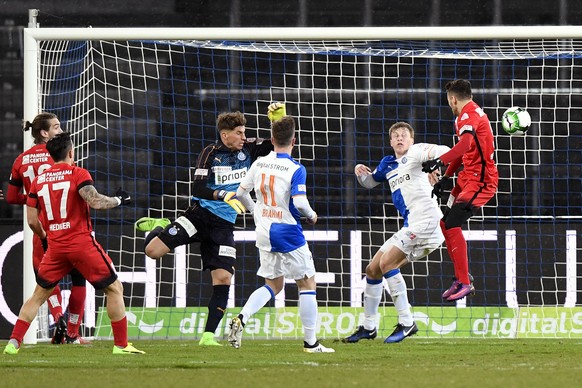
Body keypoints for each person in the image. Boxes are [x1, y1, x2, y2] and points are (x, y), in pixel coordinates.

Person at [134, 107, 278, 346]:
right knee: (152, 252)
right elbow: (198, 189)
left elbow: (280, 142)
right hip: (198, 217)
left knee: (223, 278)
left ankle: (209, 336)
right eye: (239, 133)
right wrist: (223, 195)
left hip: (223, 227)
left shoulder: (249, 148)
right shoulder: (209, 153)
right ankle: (162, 224)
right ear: (225, 135)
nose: (244, 137)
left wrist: (277, 119)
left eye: (244, 133)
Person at [3, 132, 144, 355]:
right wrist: (119, 200)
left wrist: (46, 237)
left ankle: (13, 343)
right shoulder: (77, 173)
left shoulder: (39, 181)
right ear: (71, 152)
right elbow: (95, 201)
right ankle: (121, 345)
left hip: (55, 246)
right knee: (115, 288)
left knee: (38, 296)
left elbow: (31, 220)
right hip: (81, 244)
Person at [227, 115, 335, 353]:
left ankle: (241, 318)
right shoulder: (296, 168)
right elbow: (300, 202)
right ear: (294, 140)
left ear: (273, 139)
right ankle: (311, 343)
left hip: (264, 230)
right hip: (286, 230)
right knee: (307, 283)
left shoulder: (259, 163)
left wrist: (256, 212)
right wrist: (313, 215)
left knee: (273, 284)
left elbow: (240, 193)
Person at [343, 122, 450, 344]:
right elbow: (371, 181)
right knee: (372, 270)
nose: (400, 138)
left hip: (428, 222)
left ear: (411, 140)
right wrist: (360, 172)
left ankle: (407, 322)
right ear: (391, 142)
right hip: (411, 224)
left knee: (387, 264)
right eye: (395, 136)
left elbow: (445, 151)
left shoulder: (418, 152)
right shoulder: (388, 163)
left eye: (404, 135)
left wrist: (439, 164)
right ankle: (369, 326)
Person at [6, 113, 88, 344]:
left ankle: (57, 316)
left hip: (39, 226)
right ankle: (72, 332)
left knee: (46, 280)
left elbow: (12, 197)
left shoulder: (21, 160)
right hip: (64, 223)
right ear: (44, 133)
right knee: (78, 278)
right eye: (56, 127)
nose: (61, 131)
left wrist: (33, 199)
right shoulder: (58, 156)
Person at [421, 79, 498, 301]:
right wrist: (446, 177)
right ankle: (461, 277)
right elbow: (465, 152)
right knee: (445, 223)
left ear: (453, 99)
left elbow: (463, 146)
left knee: (451, 223)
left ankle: (464, 281)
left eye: (449, 101)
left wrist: (440, 161)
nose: (450, 105)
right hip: (467, 178)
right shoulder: (465, 116)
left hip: (482, 181)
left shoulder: (469, 115)